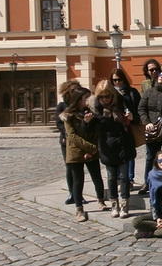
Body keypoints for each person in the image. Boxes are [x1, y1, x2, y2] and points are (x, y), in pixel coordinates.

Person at [90, 79, 136, 218]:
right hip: (107, 146)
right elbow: (89, 129)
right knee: (111, 177)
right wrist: (86, 122)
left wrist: (131, 117)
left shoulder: (122, 103)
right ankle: (114, 205)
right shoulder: (96, 109)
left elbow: (135, 119)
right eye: (102, 97)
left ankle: (124, 205)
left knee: (124, 177)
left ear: (112, 95)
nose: (105, 99)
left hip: (123, 144)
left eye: (107, 96)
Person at [61, 86, 107, 222]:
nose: (89, 99)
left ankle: (101, 201)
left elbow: (96, 132)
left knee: (97, 177)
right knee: (78, 181)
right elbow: (73, 136)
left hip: (92, 151)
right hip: (76, 152)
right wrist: (85, 124)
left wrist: (91, 150)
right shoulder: (68, 116)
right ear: (78, 99)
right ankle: (79, 210)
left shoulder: (92, 113)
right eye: (86, 97)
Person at [110, 67, 142, 189]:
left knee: (130, 154)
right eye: (114, 80)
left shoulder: (132, 92)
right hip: (115, 129)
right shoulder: (109, 94)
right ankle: (120, 180)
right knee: (116, 155)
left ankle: (129, 179)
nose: (117, 82)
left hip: (128, 127)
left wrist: (133, 117)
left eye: (119, 79)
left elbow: (139, 109)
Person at [56, 79, 81, 204]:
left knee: (79, 169)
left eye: (76, 90)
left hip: (80, 140)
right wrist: (67, 132)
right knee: (70, 167)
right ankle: (72, 193)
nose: (74, 92)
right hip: (66, 141)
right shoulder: (62, 106)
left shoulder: (81, 104)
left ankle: (79, 194)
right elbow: (59, 123)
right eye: (72, 90)